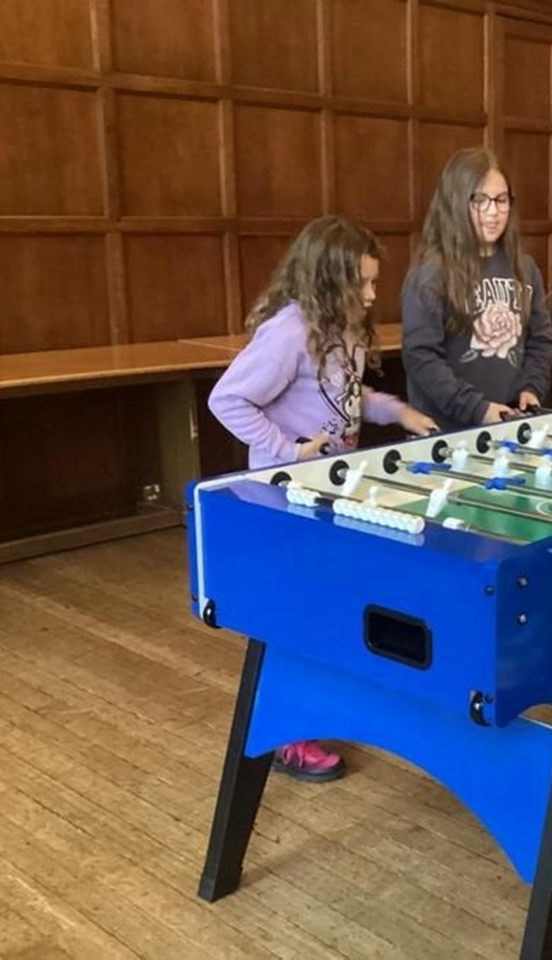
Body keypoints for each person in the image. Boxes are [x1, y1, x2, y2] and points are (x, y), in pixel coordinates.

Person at [208, 215, 437, 781]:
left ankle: (324, 710)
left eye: (374, 282)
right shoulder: (289, 332)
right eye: (362, 283)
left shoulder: (346, 328)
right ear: (328, 280)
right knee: (293, 613)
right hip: (283, 498)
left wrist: (399, 412)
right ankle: (288, 737)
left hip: (330, 491)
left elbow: (348, 398)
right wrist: (287, 449)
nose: (372, 295)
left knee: (331, 601)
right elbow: (227, 400)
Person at [401, 148, 552, 430]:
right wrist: (477, 408)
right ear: (456, 202)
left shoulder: (525, 268)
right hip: (448, 431)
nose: (492, 212)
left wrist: (532, 387)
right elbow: (421, 357)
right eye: (479, 200)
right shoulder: (430, 273)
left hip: (508, 423)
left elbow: (540, 339)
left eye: (501, 200)